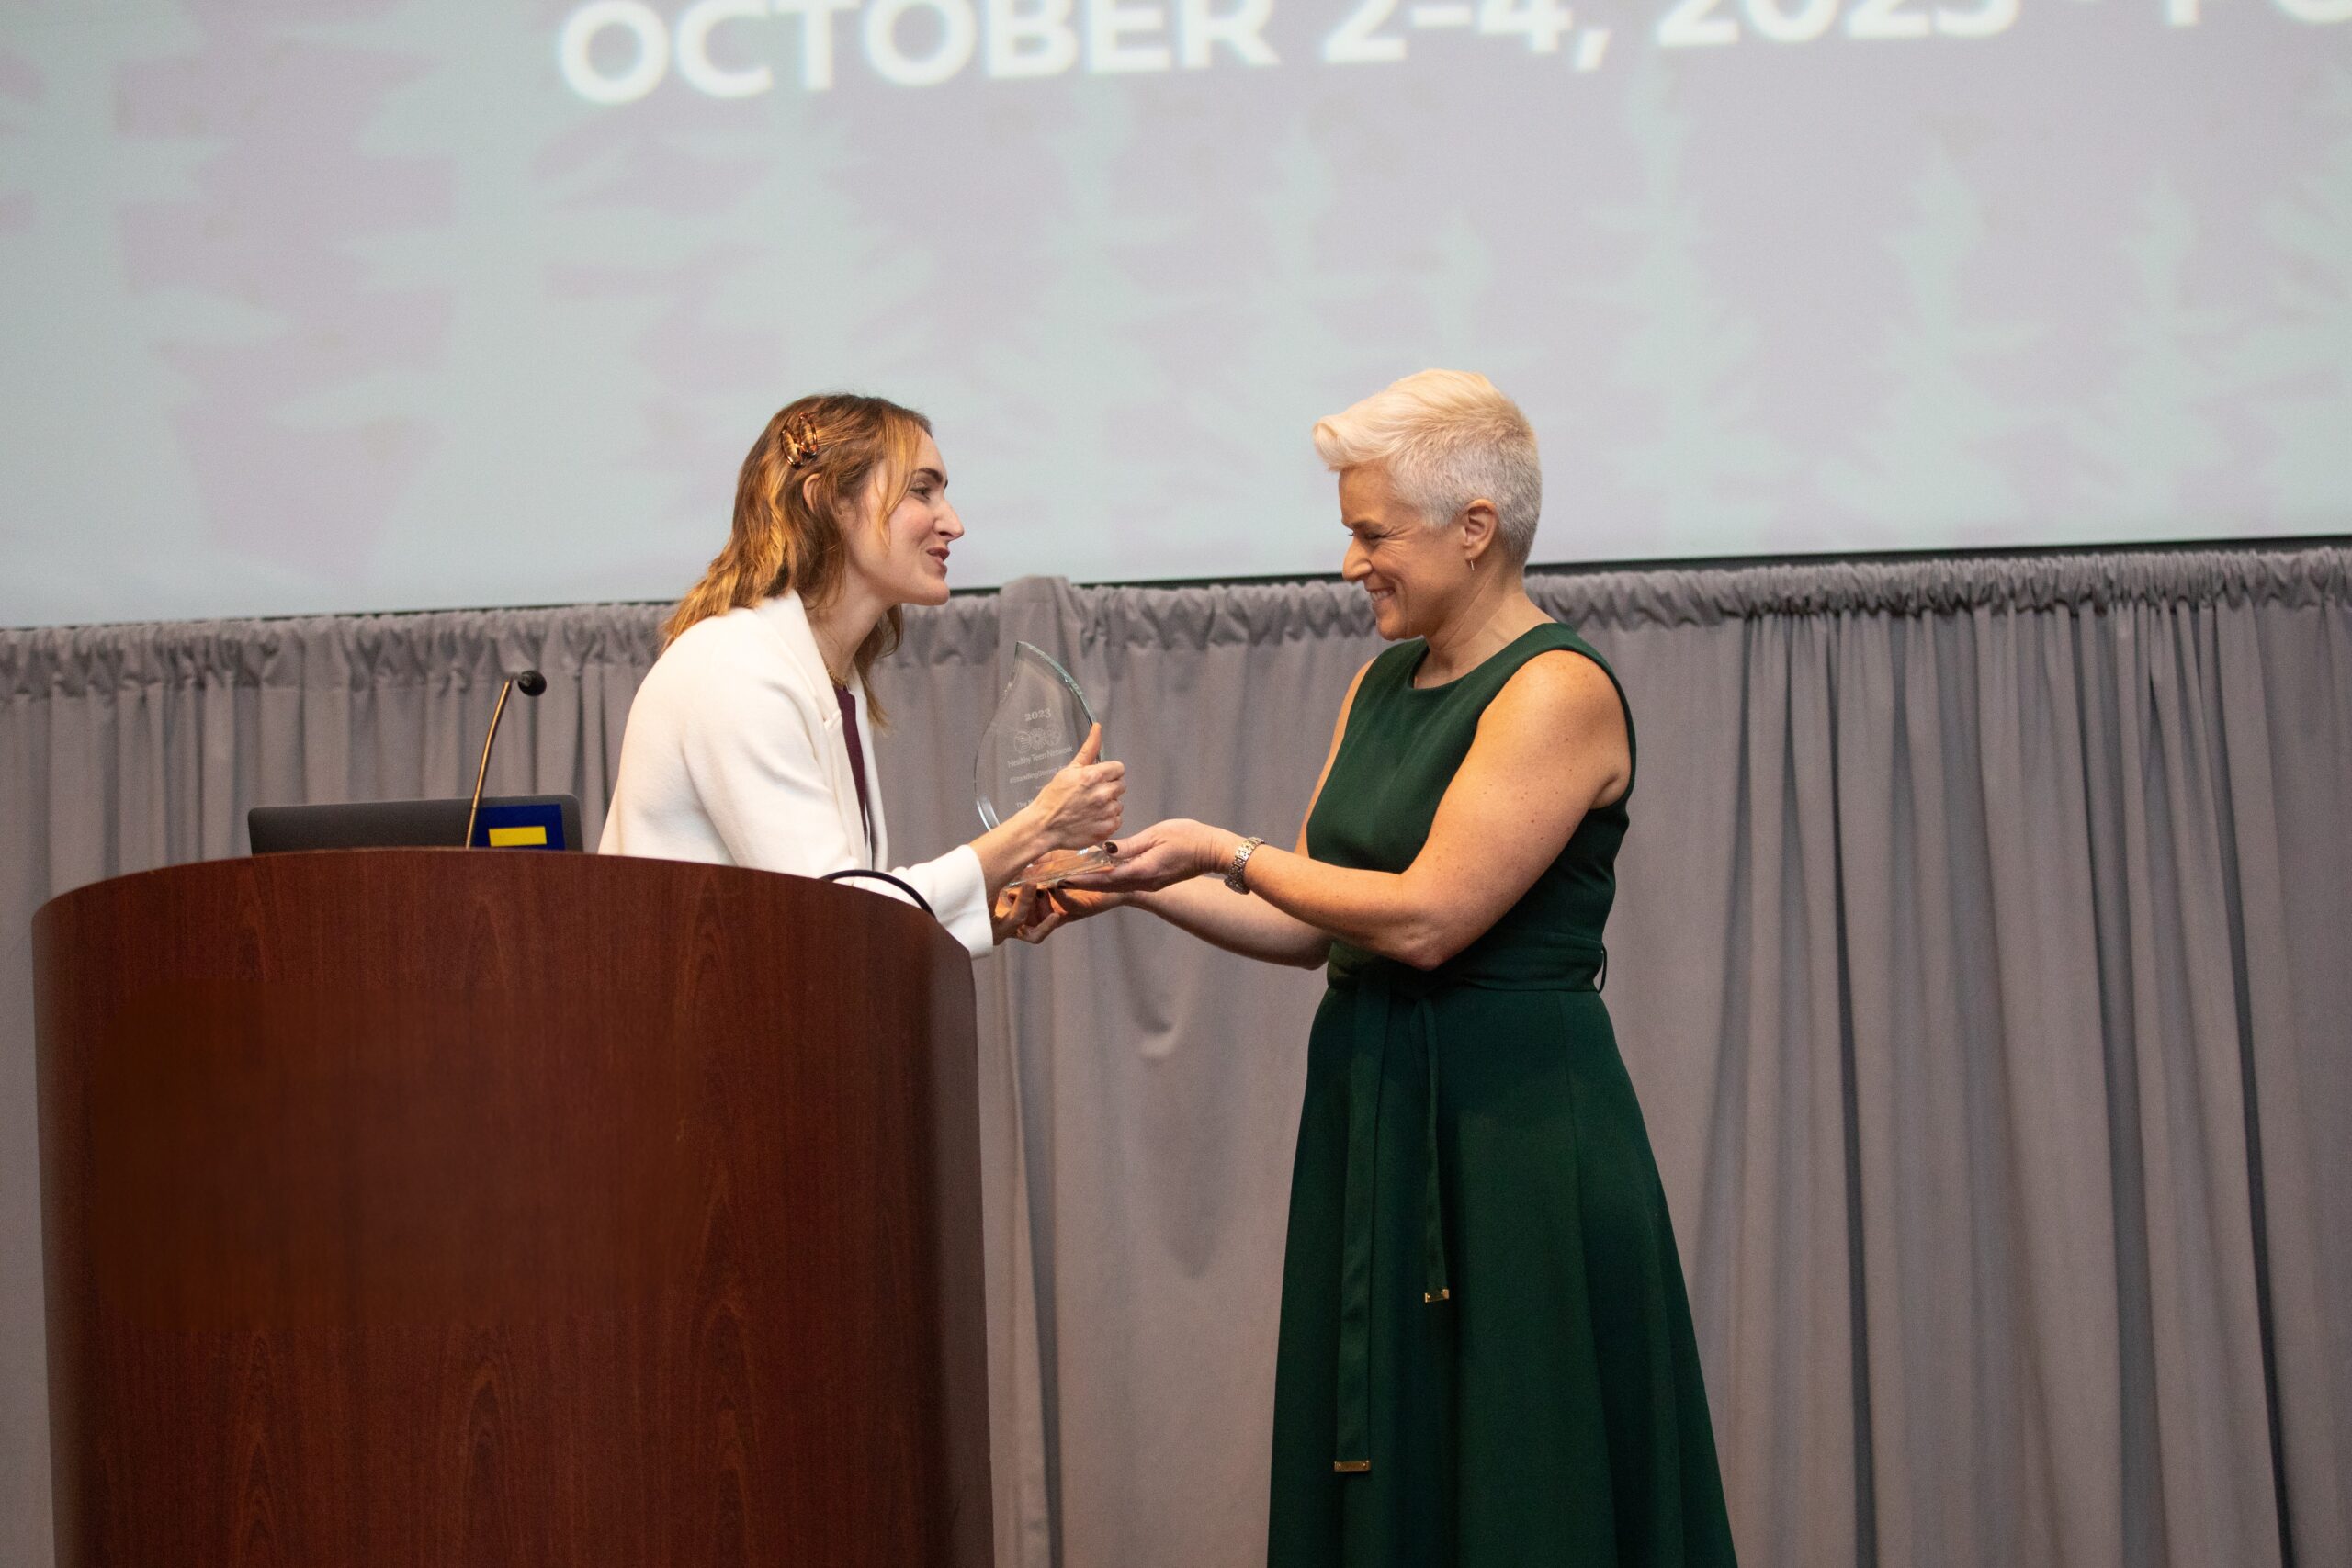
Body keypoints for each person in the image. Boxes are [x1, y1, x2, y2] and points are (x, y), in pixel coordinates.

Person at [1035, 371, 1738, 1565]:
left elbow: (1424, 919)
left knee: (1524, 1457)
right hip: (1379, 1111)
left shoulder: (1555, 689)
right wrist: (1129, 882)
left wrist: (1222, 847)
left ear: (1475, 527)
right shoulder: (1378, 685)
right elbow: (1318, 919)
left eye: (1373, 533)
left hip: (1514, 1136)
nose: (1350, 562)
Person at [600, 392, 1125, 955]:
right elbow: (835, 912)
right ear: (828, 502)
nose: (954, 524)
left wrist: (979, 919)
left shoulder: (828, 676)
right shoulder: (735, 667)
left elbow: (836, 915)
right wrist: (1039, 826)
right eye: (921, 490)